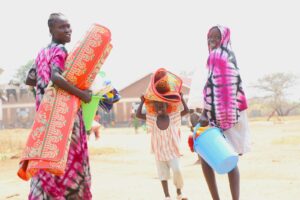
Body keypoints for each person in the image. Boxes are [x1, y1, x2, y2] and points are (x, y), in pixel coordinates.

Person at [25, 13, 92, 199]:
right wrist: (82, 95)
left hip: (44, 116)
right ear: (51, 30)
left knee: (46, 157)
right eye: (62, 27)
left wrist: (43, 89)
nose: (68, 30)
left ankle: (46, 194)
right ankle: (69, 194)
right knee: (69, 155)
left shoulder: (42, 52)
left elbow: (29, 78)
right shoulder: (60, 50)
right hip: (63, 115)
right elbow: (56, 77)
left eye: (69, 26)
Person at [198, 25, 251, 200]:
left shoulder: (216, 56)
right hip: (235, 112)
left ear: (224, 38)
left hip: (224, 113)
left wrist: (207, 113)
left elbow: (216, 88)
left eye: (216, 37)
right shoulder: (230, 55)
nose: (211, 41)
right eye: (209, 38)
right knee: (229, 157)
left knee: (210, 155)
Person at [136, 92, 189, 200]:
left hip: (173, 151)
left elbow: (186, 111)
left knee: (177, 170)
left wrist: (182, 98)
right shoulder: (152, 119)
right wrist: (142, 101)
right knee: (163, 174)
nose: (159, 107)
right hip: (159, 152)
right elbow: (138, 115)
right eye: (157, 106)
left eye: (162, 105)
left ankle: (179, 192)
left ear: (167, 107)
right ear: (154, 108)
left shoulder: (173, 117)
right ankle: (167, 196)